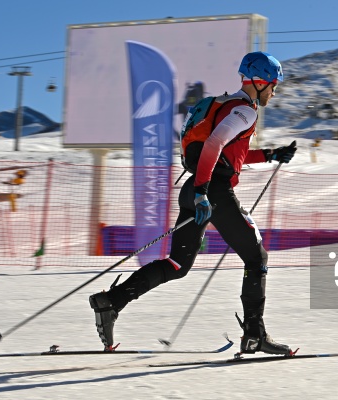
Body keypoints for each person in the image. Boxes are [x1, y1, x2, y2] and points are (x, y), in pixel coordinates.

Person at [89, 51, 297, 355]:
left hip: (194, 187)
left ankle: (111, 301)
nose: (274, 91)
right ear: (260, 81)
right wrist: (203, 191)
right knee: (257, 258)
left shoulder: (225, 104)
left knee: (177, 265)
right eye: (273, 84)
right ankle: (254, 335)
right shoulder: (246, 110)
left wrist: (270, 155)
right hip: (211, 190)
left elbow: (228, 153)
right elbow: (214, 145)